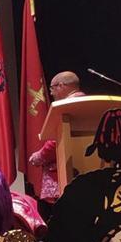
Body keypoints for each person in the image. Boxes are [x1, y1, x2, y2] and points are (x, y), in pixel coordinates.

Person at [29, 71, 86, 212]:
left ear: (61, 86)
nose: (52, 93)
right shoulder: (87, 103)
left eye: (52, 88)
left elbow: (58, 140)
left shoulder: (65, 106)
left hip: (66, 175)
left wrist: (39, 156)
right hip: (86, 167)